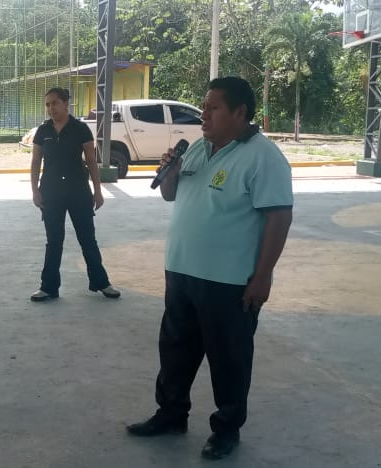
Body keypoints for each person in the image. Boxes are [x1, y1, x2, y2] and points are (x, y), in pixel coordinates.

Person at [126, 77, 293, 460]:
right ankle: (171, 414)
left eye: (213, 107)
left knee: (229, 359)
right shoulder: (198, 148)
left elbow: (278, 218)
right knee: (175, 350)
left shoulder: (264, 157)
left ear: (240, 111)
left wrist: (262, 277)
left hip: (230, 281)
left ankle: (226, 430)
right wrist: (169, 171)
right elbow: (170, 195)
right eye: (203, 106)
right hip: (181, 271)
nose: (203, 114)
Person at [29, 87, 120, 302]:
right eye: (47, 104)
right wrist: (34, 190)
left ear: (66, 103)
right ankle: (48, 287)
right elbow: (35, 162)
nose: (51, 108)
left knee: (87, 239)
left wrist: (98, 191)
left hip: (78, 191)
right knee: (54, 241)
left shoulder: (81, 129)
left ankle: (101, 283)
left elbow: (91, 161)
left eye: (55, 103)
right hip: (51, 192)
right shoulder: (43, 131)